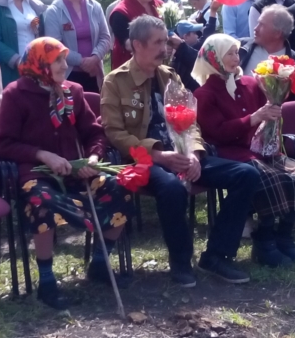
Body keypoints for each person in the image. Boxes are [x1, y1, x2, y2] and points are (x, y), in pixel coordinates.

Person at [101, 15, 258, 287]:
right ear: (137, 45)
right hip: (143, 161)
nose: (165, 48)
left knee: (245, 174)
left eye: (165, 41)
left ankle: (217, 256)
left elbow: (190, 120)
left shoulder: (170, 75)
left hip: (182, 154)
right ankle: (181, 263)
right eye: (158, 42)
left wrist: (195, 153)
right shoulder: (116, 81)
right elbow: (114, 133)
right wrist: (159, 155)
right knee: (172, 187)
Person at [0, 37, 134, 309]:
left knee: (120, 187)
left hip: (76, 173)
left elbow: (94, 132)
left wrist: (93, 157)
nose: (63, 64)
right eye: (56, 59)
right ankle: (46, 279)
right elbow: (3, 144)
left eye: (64, 58)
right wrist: (42, 154)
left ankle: (99, 264)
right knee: (40, 201)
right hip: (37, 174)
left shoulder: (74, 91)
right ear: (39, 63)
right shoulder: (15, 94)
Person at [192, 34, 295, 267]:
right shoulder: (205, 94)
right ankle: (265, 240)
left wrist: (275, 104)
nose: (235, 58)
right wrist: (254, 118)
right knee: (268, 177)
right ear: (212, 57)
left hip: (259, 148)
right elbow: (218, 132)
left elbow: (265, 111)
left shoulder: (249, 82)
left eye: (236, 52)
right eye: (228, 53)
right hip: (229, 153)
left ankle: (284, 238)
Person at [43, 0, 111, 93]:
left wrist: (95, 58)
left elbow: (105, 37)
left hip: (94, 73)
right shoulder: (54, 11)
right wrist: (81, 61)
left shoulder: (95, 6)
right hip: (68, 74)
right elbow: (55, 46)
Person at [239, 5, 295, 100]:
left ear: (277, 33)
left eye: (262, 25)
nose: (255, 29)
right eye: (258, 23)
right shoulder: (239, 48)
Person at [109, 0, 162, 70]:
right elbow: (129, 45)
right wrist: (161, 48)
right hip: (130, 74)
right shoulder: (120, 12)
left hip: (160, 69)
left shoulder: (161, 5)